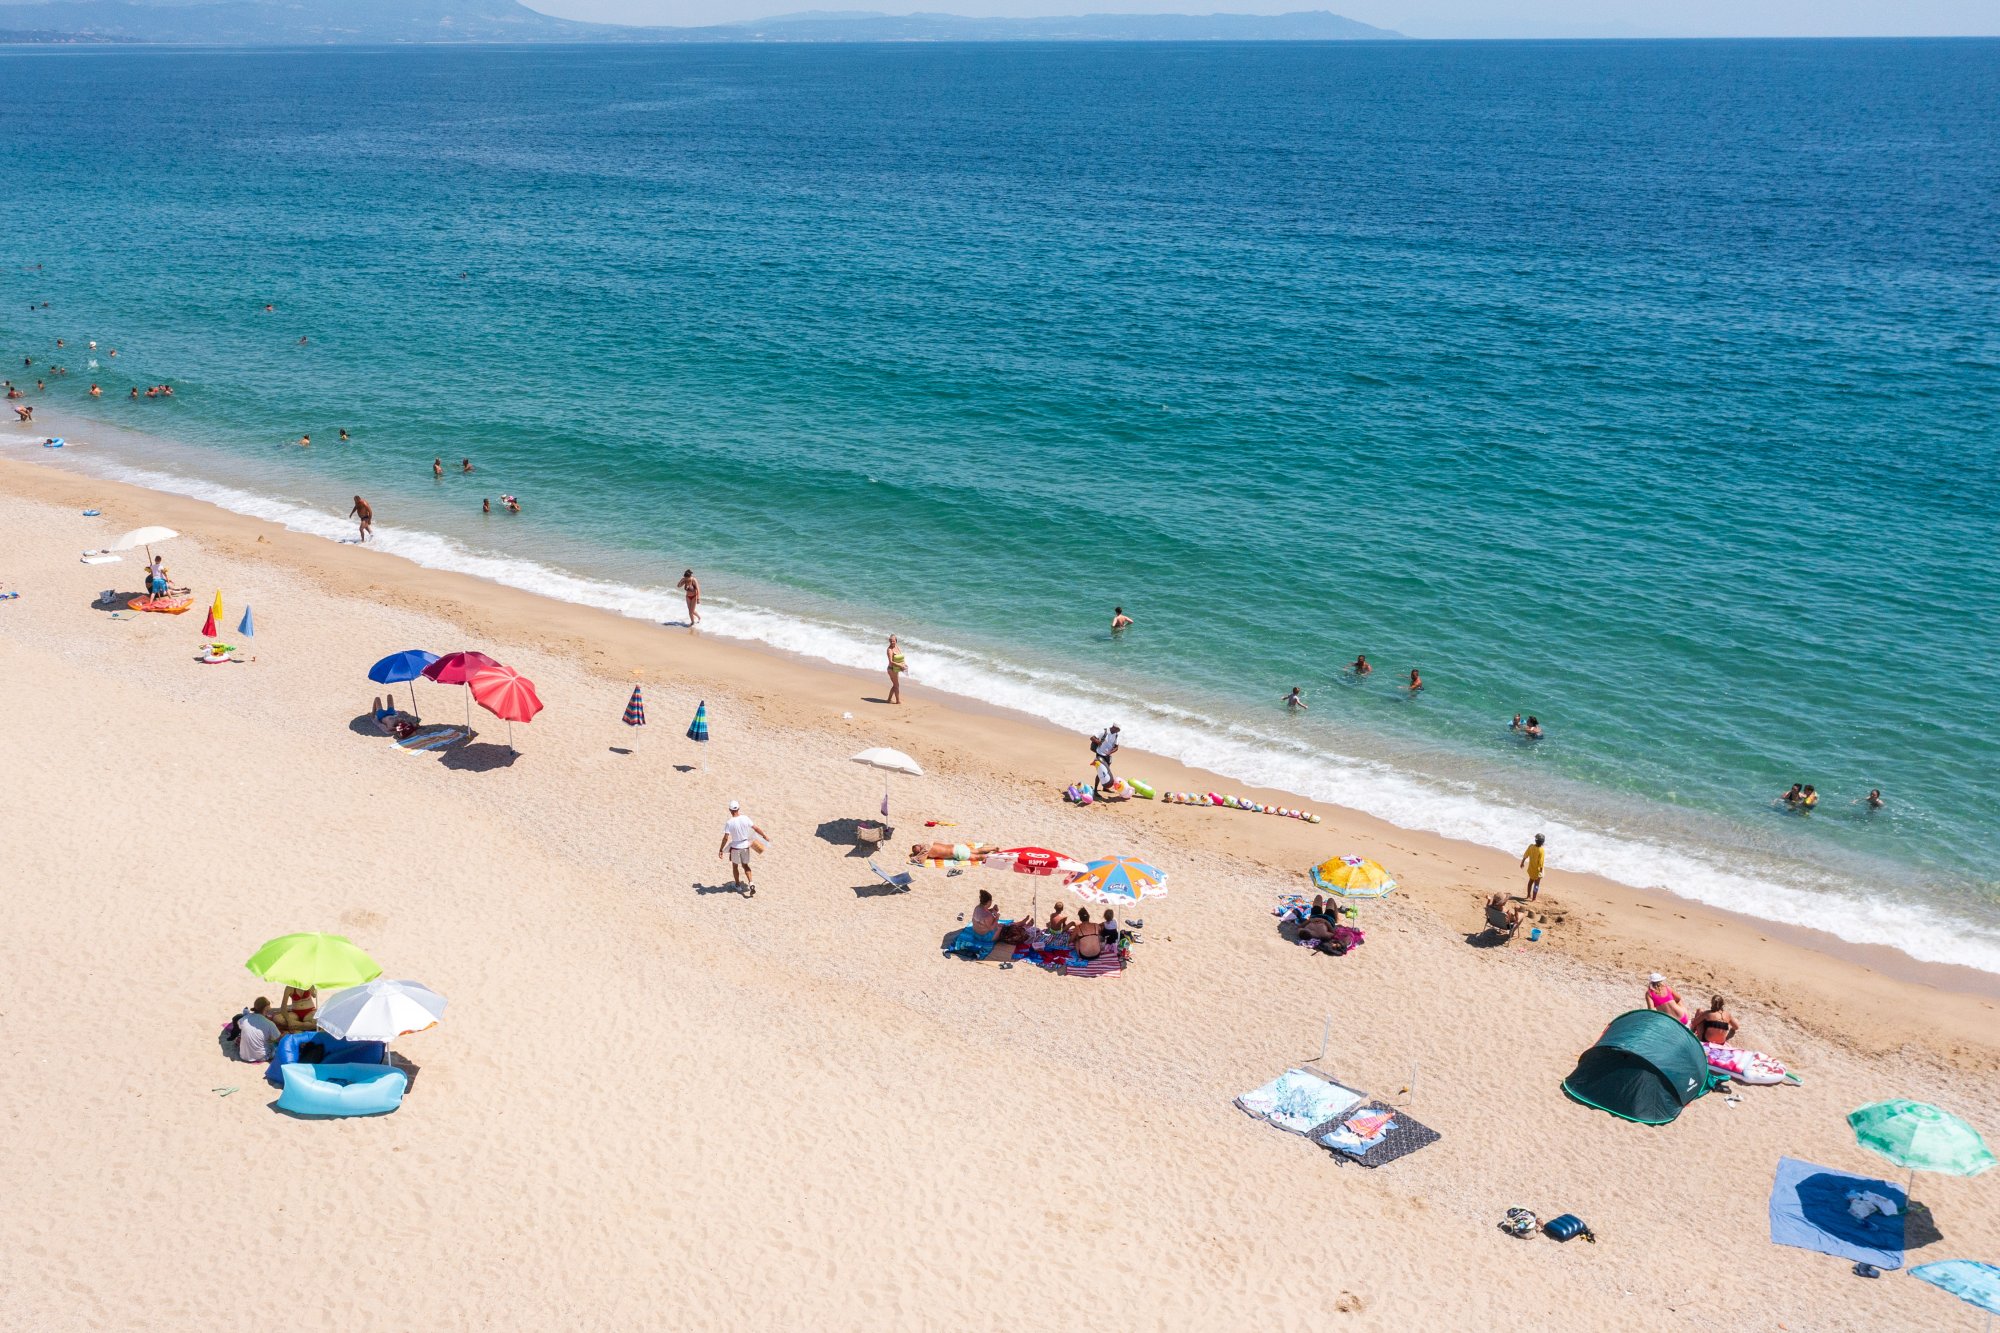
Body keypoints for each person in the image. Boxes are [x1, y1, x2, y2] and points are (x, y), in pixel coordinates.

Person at [717, 800, 767, 897]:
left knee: (735, 866)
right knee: (746, 866)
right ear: (738, 809)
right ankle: (751, 883)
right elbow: (755, 828)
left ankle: (737, 885)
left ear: (730, 810)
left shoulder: (729, 822)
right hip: (745, 846)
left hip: (735, 847)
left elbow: (726, 838)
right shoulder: (745, 818)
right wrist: (764, 836)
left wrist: (721, 849)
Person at [235, 997, 282, 1062]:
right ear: (266, 1008)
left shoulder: (246, 1018)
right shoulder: (269, 1024)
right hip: (261, 1056)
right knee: (275, 1046)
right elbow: (279, 1039)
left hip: (244, 1055)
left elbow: (239, 1023)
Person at [1091, 725, 1121, 795]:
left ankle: (1105, 788)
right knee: (1100, 772)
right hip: (1100, 754)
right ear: (1114, 727)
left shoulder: (1116, 735)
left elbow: (1116, 747)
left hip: (1108, 756)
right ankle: (1095, 789)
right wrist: (1098, 742)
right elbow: (1092, 738)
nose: (1118, 731)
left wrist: (1111, 752)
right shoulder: (1104, 731)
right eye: (1118, 729)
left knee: (1106, 772)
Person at [909, 841, 998, 863]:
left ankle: (992, 856)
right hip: (958, 846)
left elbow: (921, 861)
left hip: (957, 853)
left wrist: (914, 857)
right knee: (977, 850)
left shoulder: (926, 851)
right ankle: (993, 848)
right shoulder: (931, 843)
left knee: (976, 857)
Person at [1520, 833, 1546, 901]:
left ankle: (1528, 895)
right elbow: (1541, 862)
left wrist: (1522, 862)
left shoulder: (1531, 846)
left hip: (1531, 869)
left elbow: (1526, 854)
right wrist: (1540, 871)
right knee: (1536, 885)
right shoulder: (1541, 850)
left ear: (1535, 840)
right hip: (1537, 870)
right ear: (1543, 842)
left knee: (1530, 882)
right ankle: (1534, 898)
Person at [886, 635, 905, 704]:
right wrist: (900, 665)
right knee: (896, 685)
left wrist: (903, 664)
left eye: (893, 641)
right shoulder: (889, 650)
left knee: (895, 685)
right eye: (890, 641)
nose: (892, 642)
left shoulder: (897, 647)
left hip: (896, 669)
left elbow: (900, 657)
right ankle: (898, 701)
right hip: (891, 669)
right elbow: (891, 661)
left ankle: (889, 699)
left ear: (896, 641)